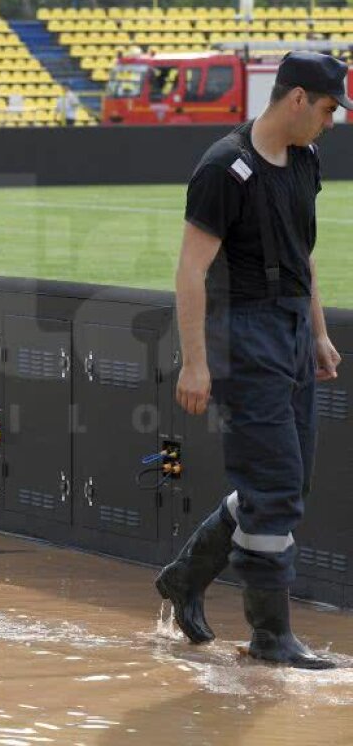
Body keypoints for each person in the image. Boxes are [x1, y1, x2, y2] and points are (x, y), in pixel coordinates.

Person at [157, 51, 345, 669]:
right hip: (243, 333)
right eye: (325, 109)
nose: (331, 121)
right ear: (296, 100)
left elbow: (304, 254)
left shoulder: (305, 159)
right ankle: (270, 638)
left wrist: (316, 334)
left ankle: (187, 577)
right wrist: (194, 363)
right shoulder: (223, 168)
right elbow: (191, 269)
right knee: (275, 488)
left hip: (291, 329)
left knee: (287, 485)